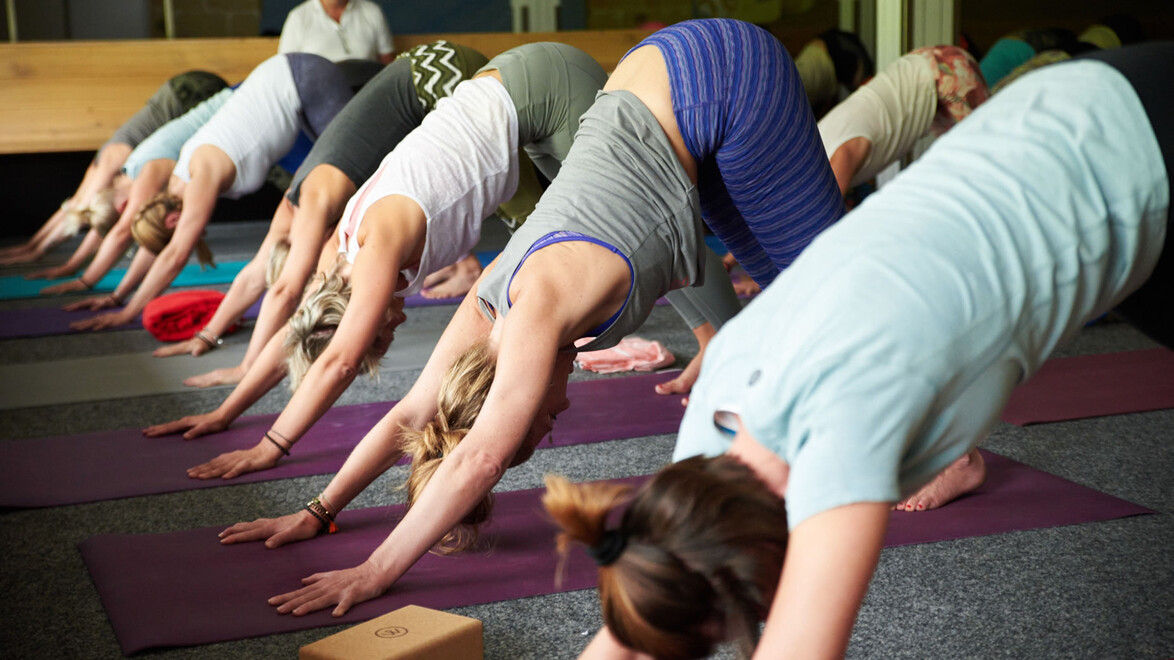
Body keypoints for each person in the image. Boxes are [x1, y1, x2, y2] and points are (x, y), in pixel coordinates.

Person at [547, 43, 1172, 659]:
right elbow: (643, 605)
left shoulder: (844, 421)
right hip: (1062, 122)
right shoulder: (713, 432)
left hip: (1133, 148)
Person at [208, 19, 843, 620]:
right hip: (661, 83)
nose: (553, 424)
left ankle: (941, 436)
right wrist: (318, 512)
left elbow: (480, 457)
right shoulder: (490, 297)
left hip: (716, 78)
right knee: (793, 289)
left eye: (533, 432)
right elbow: (409, 416)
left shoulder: (534, 307)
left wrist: (375, 571)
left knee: (838, 297)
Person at [142, 42, 611, 484]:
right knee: (558, 237)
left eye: (381, 334)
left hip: (537, 88)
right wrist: (226, 413)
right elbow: (298, 332)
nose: (394, 329)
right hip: (513, 104)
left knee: (617, 224)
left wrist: (271, 446)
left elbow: (340, 362)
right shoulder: (337, 259)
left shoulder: (374, 251)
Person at [151, 41, 489, 390]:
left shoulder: (312, 205)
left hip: (424, 76)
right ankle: (462, 263)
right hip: (385, 85)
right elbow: (255, 278)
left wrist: (246, 370)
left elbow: (286, 292)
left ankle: (464, 264)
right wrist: (206, 336)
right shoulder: (291, 208)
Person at [69, 53, 359, 332]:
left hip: (301, 77)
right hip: (289, 89)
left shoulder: (197, 178)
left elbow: (175, 254)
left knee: (357, 174)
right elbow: (160, 250)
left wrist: (128, 313)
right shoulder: (175, 188)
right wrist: (117, 298)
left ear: (173, 221)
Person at [0, 71, 227, 269]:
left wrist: (70, 263)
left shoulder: (116, 159)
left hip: (192, 90)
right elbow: (74, 207)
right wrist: (33, 247)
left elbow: (93, 219)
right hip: (183, 91)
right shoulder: (104, 166)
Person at [820, 44, 989, 196]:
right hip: (924, 67)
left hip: (943, 70)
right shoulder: (811, 149)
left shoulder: (833, 164)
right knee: (963, 171)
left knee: (983, 166)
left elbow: (826, 219)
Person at [279, 0, 394, 64]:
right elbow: (286, 69)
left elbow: (388, 65)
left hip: (367, 95)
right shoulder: (298, 18)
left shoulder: (372, 12)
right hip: (319, 98)